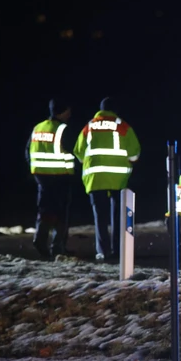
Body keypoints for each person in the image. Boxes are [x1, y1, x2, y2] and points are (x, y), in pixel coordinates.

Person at [73, 97, 140, 262]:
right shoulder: (123, 125)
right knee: (118, 215)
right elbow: (135, 154)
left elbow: (79, 152)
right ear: (115, 110)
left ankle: (103, 251)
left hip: (95, 177)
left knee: (99, 216)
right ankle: (118, 249)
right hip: (119, 177)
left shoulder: (89, 126)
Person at [26, 99, 76, 259]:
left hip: (41, 176)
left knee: (45, 208)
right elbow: (74, 150)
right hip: (60, 175)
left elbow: (28, 150)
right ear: (62, 112)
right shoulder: (62, 129)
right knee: (61, 212)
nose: (70, 114)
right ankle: (57, 246)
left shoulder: (38, 128)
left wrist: (35, 168)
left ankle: (40, 239)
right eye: (68, 111)